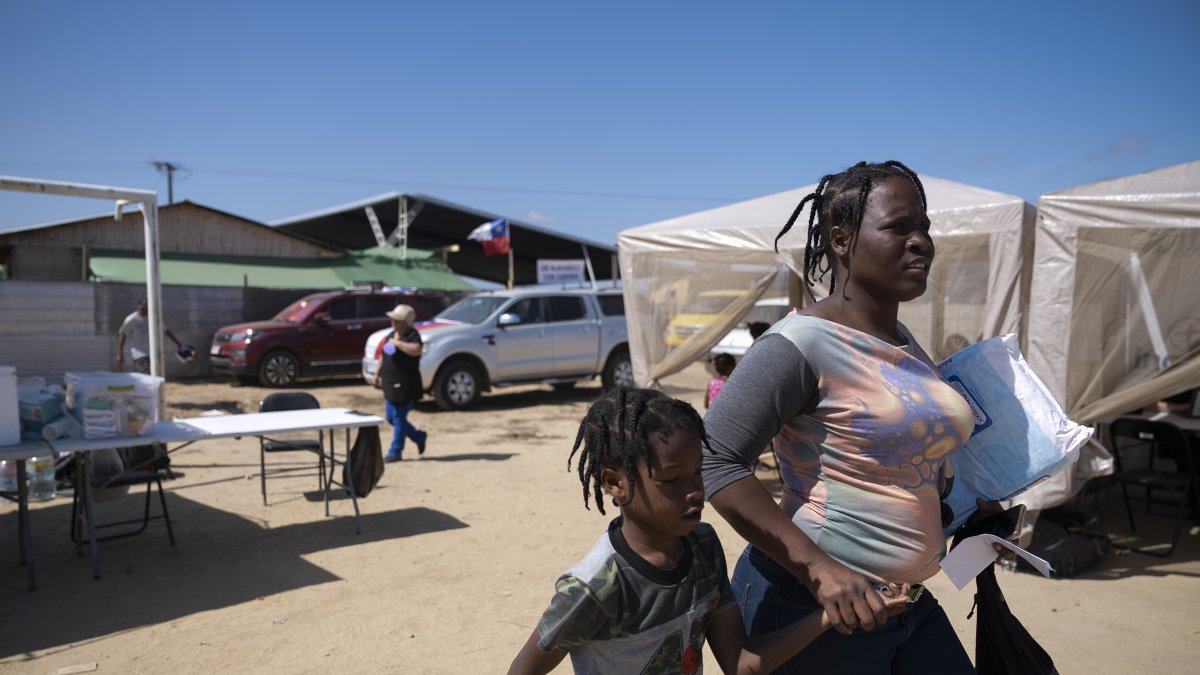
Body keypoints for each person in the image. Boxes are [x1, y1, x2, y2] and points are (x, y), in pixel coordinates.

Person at [702, 161, 982, 674]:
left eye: (924, 228)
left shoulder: (906, 347)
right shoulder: (800, 344)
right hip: (812, 603)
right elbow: (714, 458)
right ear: (842, 238)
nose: (921, 241)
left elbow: (896, 463)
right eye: (899, 227)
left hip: (904, 601)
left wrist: (968, 511)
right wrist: (816, 567)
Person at [507, 388, 912, 675]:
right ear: (615, 483)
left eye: (698, 472)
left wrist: (831, 614)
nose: (695, 490)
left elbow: (743, 663)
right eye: (671, 479)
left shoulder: (702, 548)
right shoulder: (595, 587)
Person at [371, 304, 428, 462]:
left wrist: (398, 344)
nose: (393, 322)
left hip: (406, 384)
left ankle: (395, 451)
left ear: (405, 322)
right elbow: (384, 355)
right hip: (390, 384)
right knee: (391, 417)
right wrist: (377, 373)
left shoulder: (412, 335)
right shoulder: (391, 334)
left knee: (398, 417)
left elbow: (416, 349)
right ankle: (418, 436)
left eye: (397, 320)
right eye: (393, 319)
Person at [117, 297, 183, 374]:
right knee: (145, 372)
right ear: (138, 308)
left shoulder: (153, 318)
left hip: (153, 352)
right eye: (142, 308)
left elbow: (165, 330)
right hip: (138, 353)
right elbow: (123, 335)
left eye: (146, 308)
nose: (144, 310)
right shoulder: (131, 319)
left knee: (155, 373)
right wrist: (120, 353)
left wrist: (177, 343)